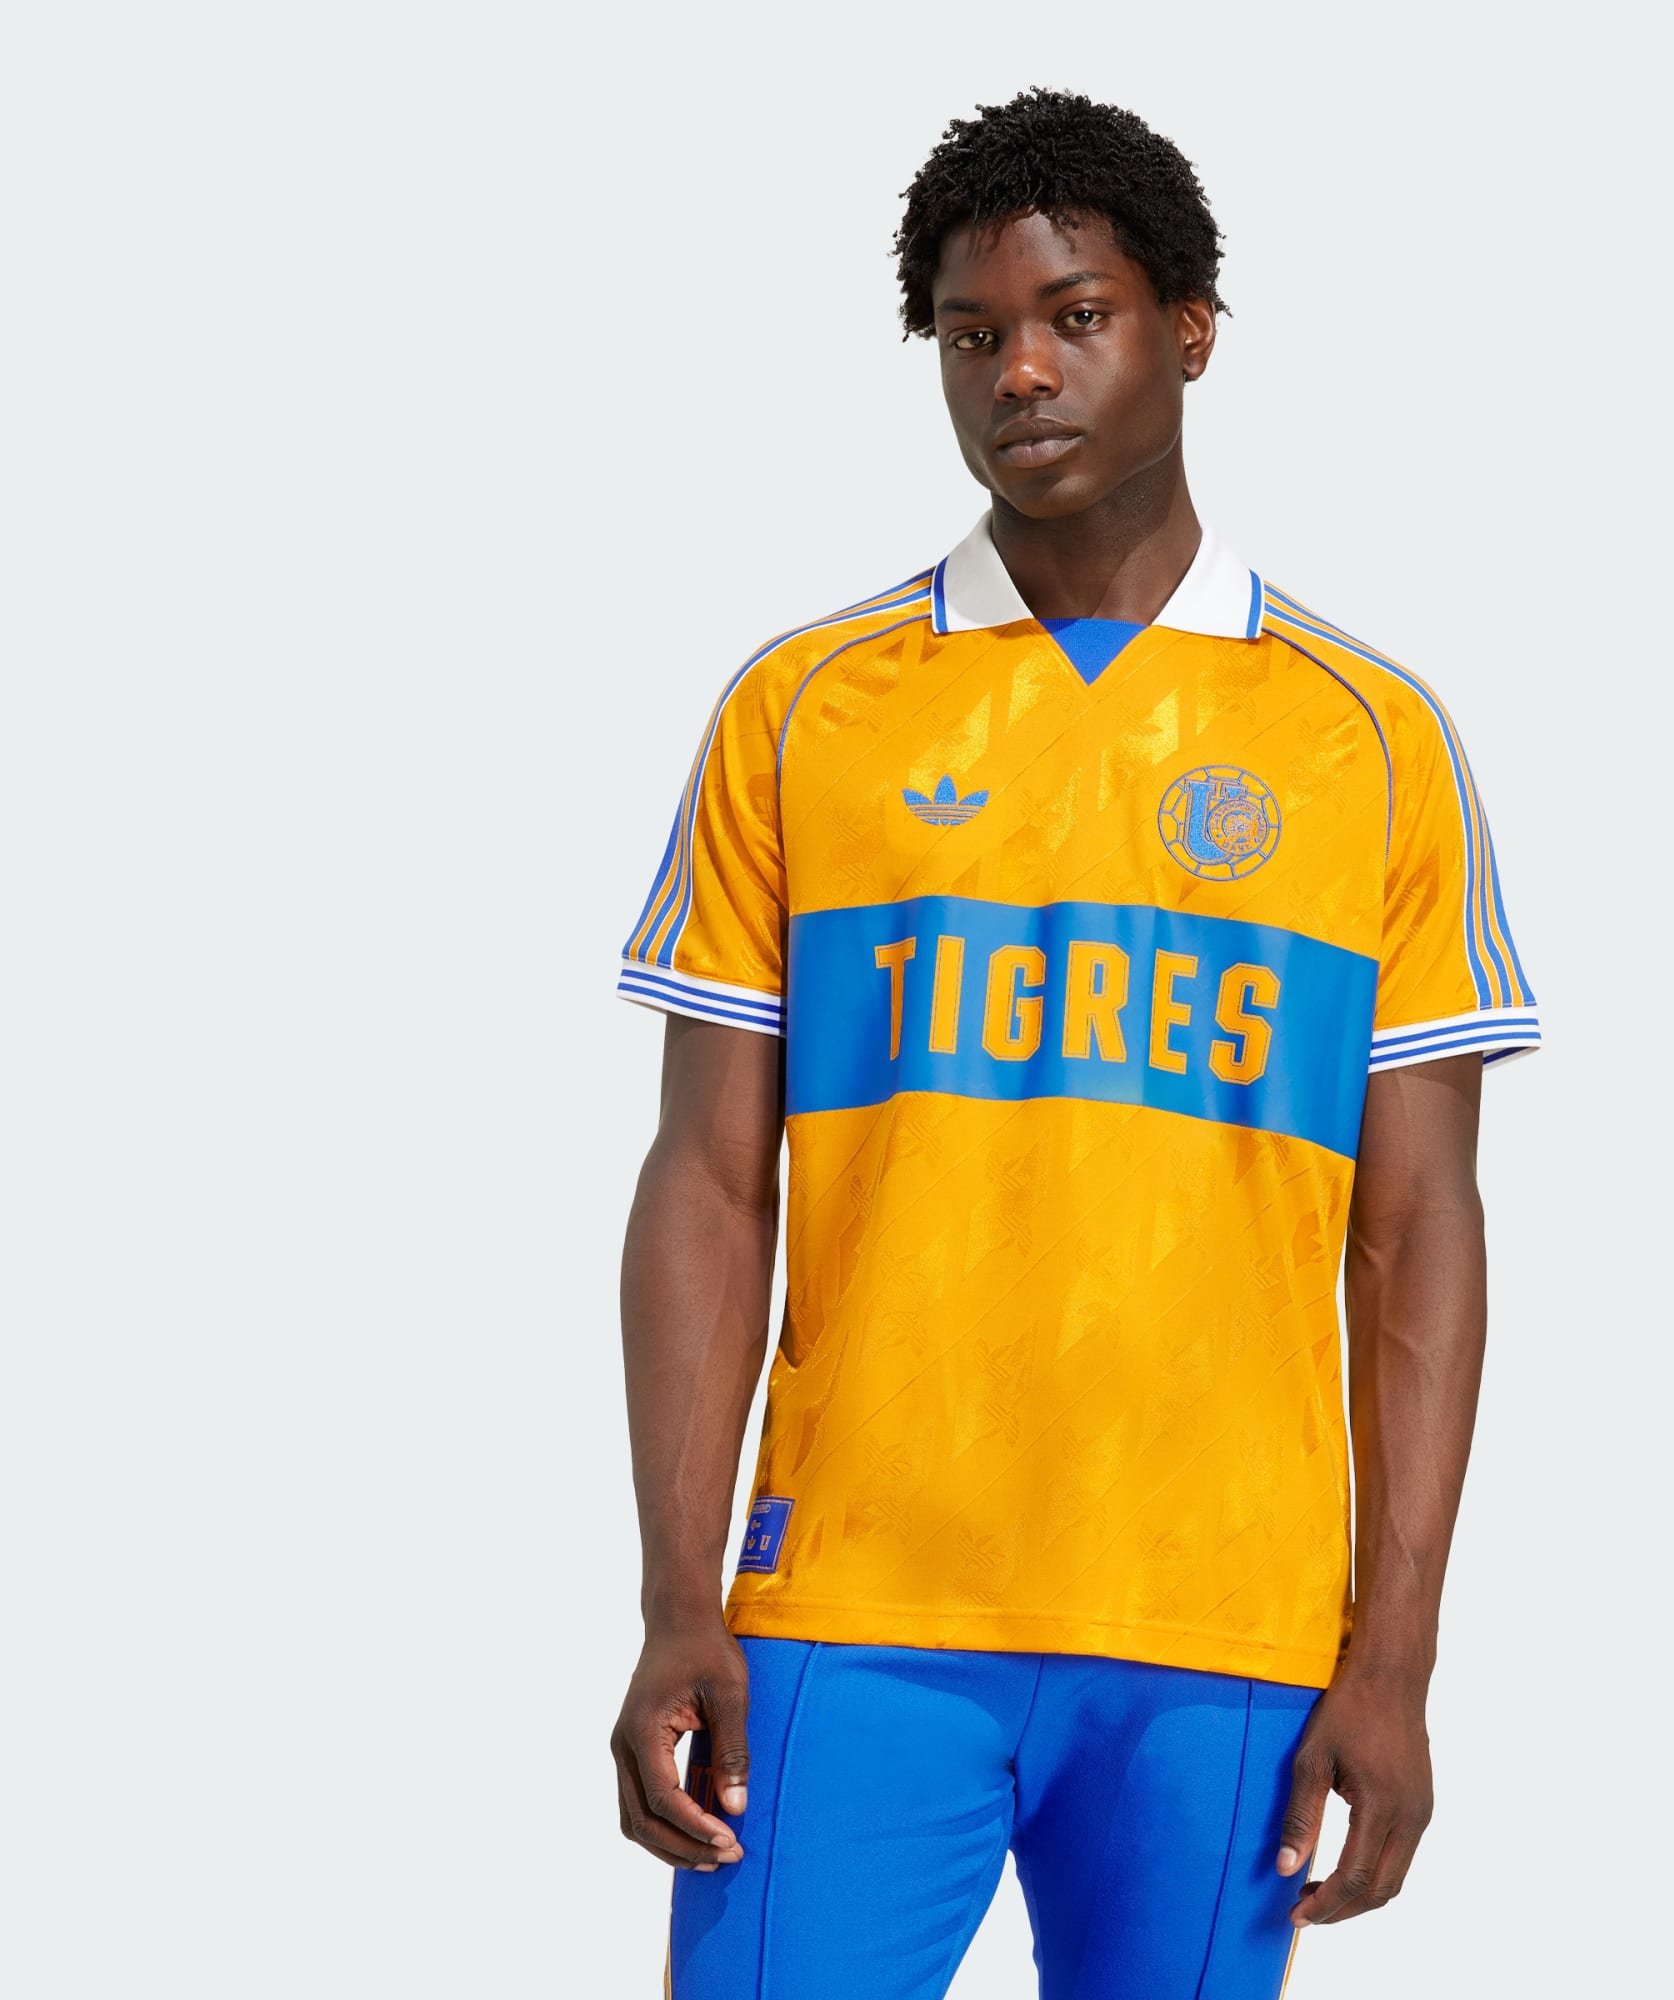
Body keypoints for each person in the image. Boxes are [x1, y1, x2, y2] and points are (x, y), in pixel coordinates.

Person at [609, 86, 1539, 2000]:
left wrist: (1397, 1655)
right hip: (849, 1609)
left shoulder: (1363, 738)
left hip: (1226, 1635)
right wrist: (675, 1595)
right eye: (971, 335)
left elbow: (1417, 1229)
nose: (1019, 372)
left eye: (1074, 316)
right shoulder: (809, 709)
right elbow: (707, 1181)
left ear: (1189, 330)